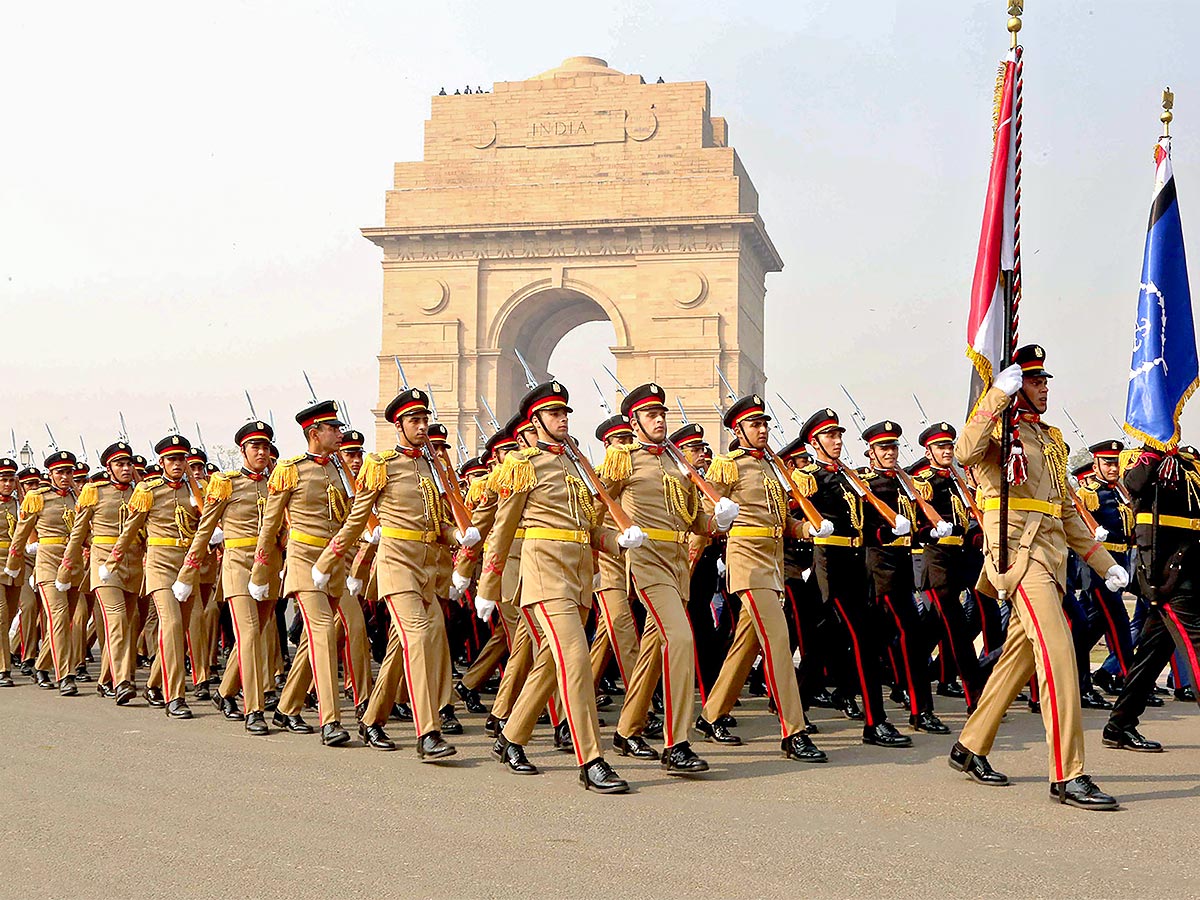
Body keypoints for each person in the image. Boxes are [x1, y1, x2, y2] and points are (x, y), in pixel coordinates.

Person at [950, 344, 1126, 810]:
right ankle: (1069, 773)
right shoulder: (996, 434)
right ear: (1015, 386)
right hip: (1018, 555)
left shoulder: (1049, 439)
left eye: (1045, 380)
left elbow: (1067, 512)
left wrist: (1105, 565)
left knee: (1020, 658)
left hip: (1052, 558)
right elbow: (963, 453)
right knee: (1059, 653)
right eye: (1033, 380)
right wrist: (994, 397)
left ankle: (970, 745)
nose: (1044, 387)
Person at [478, 381, 634, 793]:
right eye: (553, 414)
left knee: (550, 664)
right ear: (535, 421)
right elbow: (501, 529)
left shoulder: (575, 466)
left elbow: (585, 528)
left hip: (579, 578)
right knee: (576, 660)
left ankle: (511, 737)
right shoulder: (523, 464)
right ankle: (591, 759)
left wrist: (614, 541)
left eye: (565, 412)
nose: (562, 419)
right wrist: (486, 583)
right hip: (544, 577)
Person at [315, 388, 474, 759]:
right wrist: (329, 560)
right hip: (396, 564)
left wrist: (457, 534)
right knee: (418, 638)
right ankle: (428, 732)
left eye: (424, 420)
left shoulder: (434, 466)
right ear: (398, 425)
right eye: (414, 421)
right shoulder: (381, 464)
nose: (421, 427)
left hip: (426, 569)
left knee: (418, 643)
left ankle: (372, 719)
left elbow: (438, 524)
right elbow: (357, 519)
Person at [694, 394, 830, 761]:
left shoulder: (772, 468)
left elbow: (783, 524)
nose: (763, 429)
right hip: (747, 563)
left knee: (747, 643)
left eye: (765, 423)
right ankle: (793, 731)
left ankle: (711, 715)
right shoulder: (728, 466)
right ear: (738, 429)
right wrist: (715, 530)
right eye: (755, 424)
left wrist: (807, 530)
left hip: (771, 562)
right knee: (778, 639)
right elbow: (707, 515)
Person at [597, 382, 715, 773]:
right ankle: (676, 742)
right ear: (634, 422)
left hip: (679, 561)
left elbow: (694, 518)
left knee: (652, 648)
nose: (660, 420)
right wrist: (615, 541)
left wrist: (718, 522)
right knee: (680, 638)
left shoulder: (679, 462)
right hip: (646, 561)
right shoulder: (622, 460)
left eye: (662, 413)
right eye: (651, 415)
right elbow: (595, 509)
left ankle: (627, 730)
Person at [250, 400, 353, 746]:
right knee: (322, 631)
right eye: (333, 429)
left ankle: (287, 706)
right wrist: (261, 570)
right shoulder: (291, 470)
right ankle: (331, 721)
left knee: (317, 640)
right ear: (314, 433)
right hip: (304, 558)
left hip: (334, 562)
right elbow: (270, 524)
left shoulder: (341, 470)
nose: (339, 433)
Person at [174, 421, 279, 735]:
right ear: (243, 450)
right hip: (238, 565)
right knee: (247, 635)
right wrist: (187, 572)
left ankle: (224, 692)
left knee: (257, 633)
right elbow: (204, 530)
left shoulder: (277, 482)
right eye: (255, 447)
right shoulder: (226, 483)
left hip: (270, 563)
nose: (261, 452)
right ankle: (255, 709)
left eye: (265, 446)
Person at [1103, 440, 1200, 751]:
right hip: (1169, 576)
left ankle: (1119, 724)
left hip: (1190, 570)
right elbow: (1133, 484)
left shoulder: (1188, 466)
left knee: (1151, 654)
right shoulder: (1145, 460)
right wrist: (1154, 451)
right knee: (1198, 648)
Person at [100, 435, 203, 719]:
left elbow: (207, 525)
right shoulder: (149, 490)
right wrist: (112, 560)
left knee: (179, 630)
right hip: (160, 565)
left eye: (182, 459)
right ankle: (176, 697)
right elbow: (131, 529)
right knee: (170, 625)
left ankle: (155, 683)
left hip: (187, 566)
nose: (178, 464)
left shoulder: (196, 491)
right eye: (172, 459)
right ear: (161, 462)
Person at [57, 441, 142, 706]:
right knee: (115, 621)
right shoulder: (94, 492)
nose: (126, 468)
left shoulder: (141, 493)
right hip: (104, 565)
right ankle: (122, 681)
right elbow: (78, 533)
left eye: (128, 464)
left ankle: (105, 679)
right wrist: (66, 566)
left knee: (129, 624)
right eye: (120, 464)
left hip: (133, 563)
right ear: (108, 468)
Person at [5, 451, 83, 695]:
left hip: (73, 564)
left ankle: (41, 665)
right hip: (48, 564)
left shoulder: (78, 497)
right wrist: (14, 563)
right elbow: (20, 533)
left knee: (65, 620)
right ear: (50, 474)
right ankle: (65, 675)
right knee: (57, 617)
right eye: (60, 472)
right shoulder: (38, 498)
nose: (65, 477)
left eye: (69, 472)